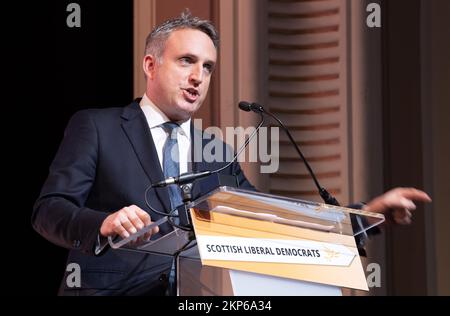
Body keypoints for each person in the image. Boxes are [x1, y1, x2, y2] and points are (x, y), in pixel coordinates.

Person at [32, 12, 431, 296]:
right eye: (187, 61)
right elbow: (49, 211)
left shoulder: (217, 154)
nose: (198, 77)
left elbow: (276, 226)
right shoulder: (97, 127)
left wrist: (368, 217)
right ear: (150, 65)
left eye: (208, 68)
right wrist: (104, 223)